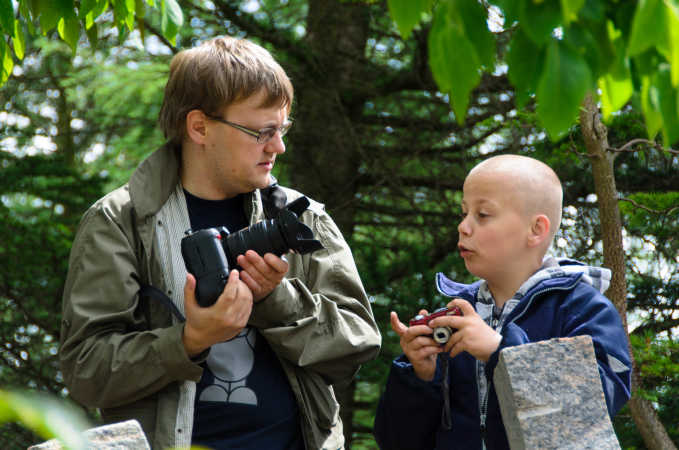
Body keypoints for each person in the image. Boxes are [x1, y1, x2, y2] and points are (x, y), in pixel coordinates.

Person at [59, 36, 381, 450]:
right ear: (199, 127)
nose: (278, 147)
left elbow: (358, 345)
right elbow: (87, 372)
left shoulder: (301, 217)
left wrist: (277, 300)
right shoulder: (122, 221)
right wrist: (189, 340)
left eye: (282, 129)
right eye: (262, 131)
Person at [373, 154, 632, 450]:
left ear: (536, 230)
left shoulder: (583, 310)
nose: (463, 227)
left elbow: (589, 410)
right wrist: (420, 377)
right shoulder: (454, 315)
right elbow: (396, 442)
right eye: (464, 213)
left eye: (482, 215)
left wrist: (500, 351)